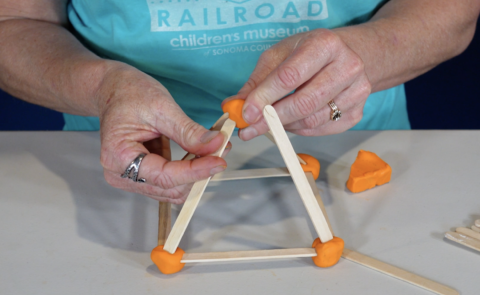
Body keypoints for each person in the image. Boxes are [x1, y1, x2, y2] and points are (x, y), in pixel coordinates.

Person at [0, 0, 479, 204]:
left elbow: (453, 9)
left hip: (349, 146)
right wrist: (101, 87)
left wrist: (368, 56)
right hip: (126, 162)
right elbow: (13, 22)